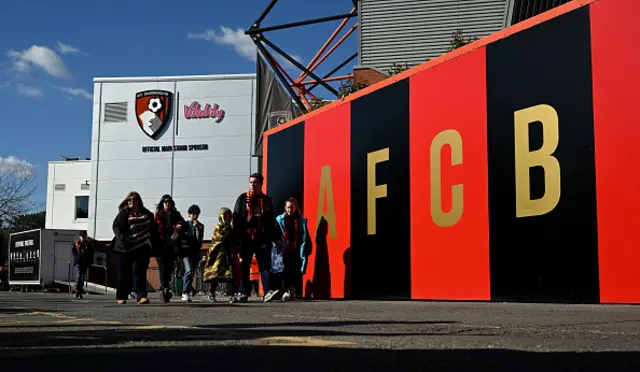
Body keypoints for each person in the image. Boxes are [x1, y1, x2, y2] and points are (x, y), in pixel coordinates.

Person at [231, 173, 278, 303]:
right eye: (251, 182)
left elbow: (271, 221)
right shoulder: (242, 199)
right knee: (244, 265)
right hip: (246, 238)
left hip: (262, 238)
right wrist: (237, 238)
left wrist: (273, 238)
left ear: (261, 184)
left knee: (265, 265)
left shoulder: (267, 201)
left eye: (255, 182)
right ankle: (242, 292)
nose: (253, 185)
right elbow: (236, 218)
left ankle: (267, 291)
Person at [111, 191, 157, 304]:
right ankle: (121, 296)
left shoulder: (147, 214)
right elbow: (116, 226)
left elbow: (153, 228)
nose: (132, 201)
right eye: (130, 200)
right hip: (124, 248)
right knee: (124, 272)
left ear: (139, 201)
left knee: (139, 271)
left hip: (141, 247)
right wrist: (121, 237)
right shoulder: (123, 213)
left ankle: (141, 296)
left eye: (135, 199)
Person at [274, 197, 311, 301]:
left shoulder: (300, 220)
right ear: (285, 208)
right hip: (284, 249)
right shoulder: (280, 219)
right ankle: (286, 291)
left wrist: (306, 247)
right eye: (288, 208)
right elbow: (276, 233)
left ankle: (293, 290)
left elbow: (304, 235)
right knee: (284, 270)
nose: (290, 210)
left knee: (295, 270)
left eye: (292, 207)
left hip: (296, 249)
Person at [154, 194, 186, 303]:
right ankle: (165, 288)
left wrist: (179, 226)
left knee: (169, 267)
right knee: (162, 267)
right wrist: (174, 228)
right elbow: (160, 228)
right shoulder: (158, 215)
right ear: (162, 204)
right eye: (165, 202)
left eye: (169, 202)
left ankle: (166, 286)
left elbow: (183, 223)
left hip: (172, 245)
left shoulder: (176, 215)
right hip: (161, 245)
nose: (168, 204)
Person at [203, 207, 234, 302]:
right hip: (217, 255)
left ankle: (231, 295)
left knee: (229, 275)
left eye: (229, 217)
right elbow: (218, 239)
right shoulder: (218, 227)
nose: (228, 219)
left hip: (227, 255)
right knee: (214, 275)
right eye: (226, 216)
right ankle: (211, 293)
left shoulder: (230, 228)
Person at [180, 204, 205, 302]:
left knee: (192, 272)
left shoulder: (201, 226)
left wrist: (197, 230)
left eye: (196, 215)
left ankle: (189, 288)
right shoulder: (185, 225)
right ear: (189, 214)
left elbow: (200, 240)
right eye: (193, 214)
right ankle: (185, 292)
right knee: (189, 270)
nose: (194, 217)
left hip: (195, 252)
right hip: (186, 252)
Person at [71, 231, 94, 299]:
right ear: (80, 237)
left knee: (82, 277)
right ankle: (77, 291)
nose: (83, 238)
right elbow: (74, 253)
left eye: (84, 236)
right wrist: (78, 258)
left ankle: (80, 292)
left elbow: (91, 254)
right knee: (79, 276)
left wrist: (89, 262)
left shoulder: (88, 244)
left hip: (85, 262)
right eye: (82, 236)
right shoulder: (76, 244)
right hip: (79, 262)